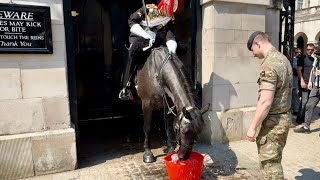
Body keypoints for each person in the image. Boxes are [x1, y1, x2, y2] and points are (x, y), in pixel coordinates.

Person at [246, 31, 293, 179]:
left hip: (273, 123)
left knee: (270, 166)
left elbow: (266, 101)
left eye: (252, 50)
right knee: (275, 160)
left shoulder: (269, 64)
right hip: (283, 119)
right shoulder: (283, 59)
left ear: (257, 44)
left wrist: (252, 127)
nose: (253, 54)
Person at [119, 0, 182, 100]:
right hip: (141, 36)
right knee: (133, 51)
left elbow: (170, 36)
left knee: (181, 49)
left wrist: (172, 51)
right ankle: (126, 87)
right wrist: (146, 35)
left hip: (158, 39)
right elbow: (132, 21)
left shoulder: (168, 18)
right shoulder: (147, 9)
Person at [294, 48, 320, 134]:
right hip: (316, 86)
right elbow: (313, 70)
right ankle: (306, 127)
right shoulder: (316, 59)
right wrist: (310, 82)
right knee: (309, 105)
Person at [296, 44, 316, 124]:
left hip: (311, 83)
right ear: (306, 49)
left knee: (308, 102)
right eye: (308, 49)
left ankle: (303, 117)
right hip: (304, 82)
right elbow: (298, 70)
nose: (309, 51)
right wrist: (302, 81)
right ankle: (299, 118)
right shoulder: (302, 58)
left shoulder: (314, 59)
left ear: (313, 50)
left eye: (311, 50)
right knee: (304, 101)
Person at [292, 48, 301, 116]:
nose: (298, 54)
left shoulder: (299, 60)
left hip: (297, 80)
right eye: (297, 52)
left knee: (296, 94)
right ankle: (296, 109)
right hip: (293, 80)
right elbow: (295, 71)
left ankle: (297, 109)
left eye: (299, 52)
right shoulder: (293, 60)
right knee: (294, 94)